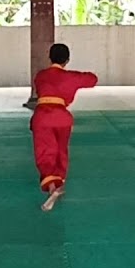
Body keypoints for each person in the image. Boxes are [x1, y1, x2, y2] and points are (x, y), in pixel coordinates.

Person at [30, 43, 99, 212]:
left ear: (50, 57)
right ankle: (59, 181)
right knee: (61, 151)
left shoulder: (40, 76)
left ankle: (52, 186)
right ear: (67, 60)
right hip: (62, 117)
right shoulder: (70, 77)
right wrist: (74, 76)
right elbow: (93, 79)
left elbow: (42, 88)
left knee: (45, 151)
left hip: (42, 117)